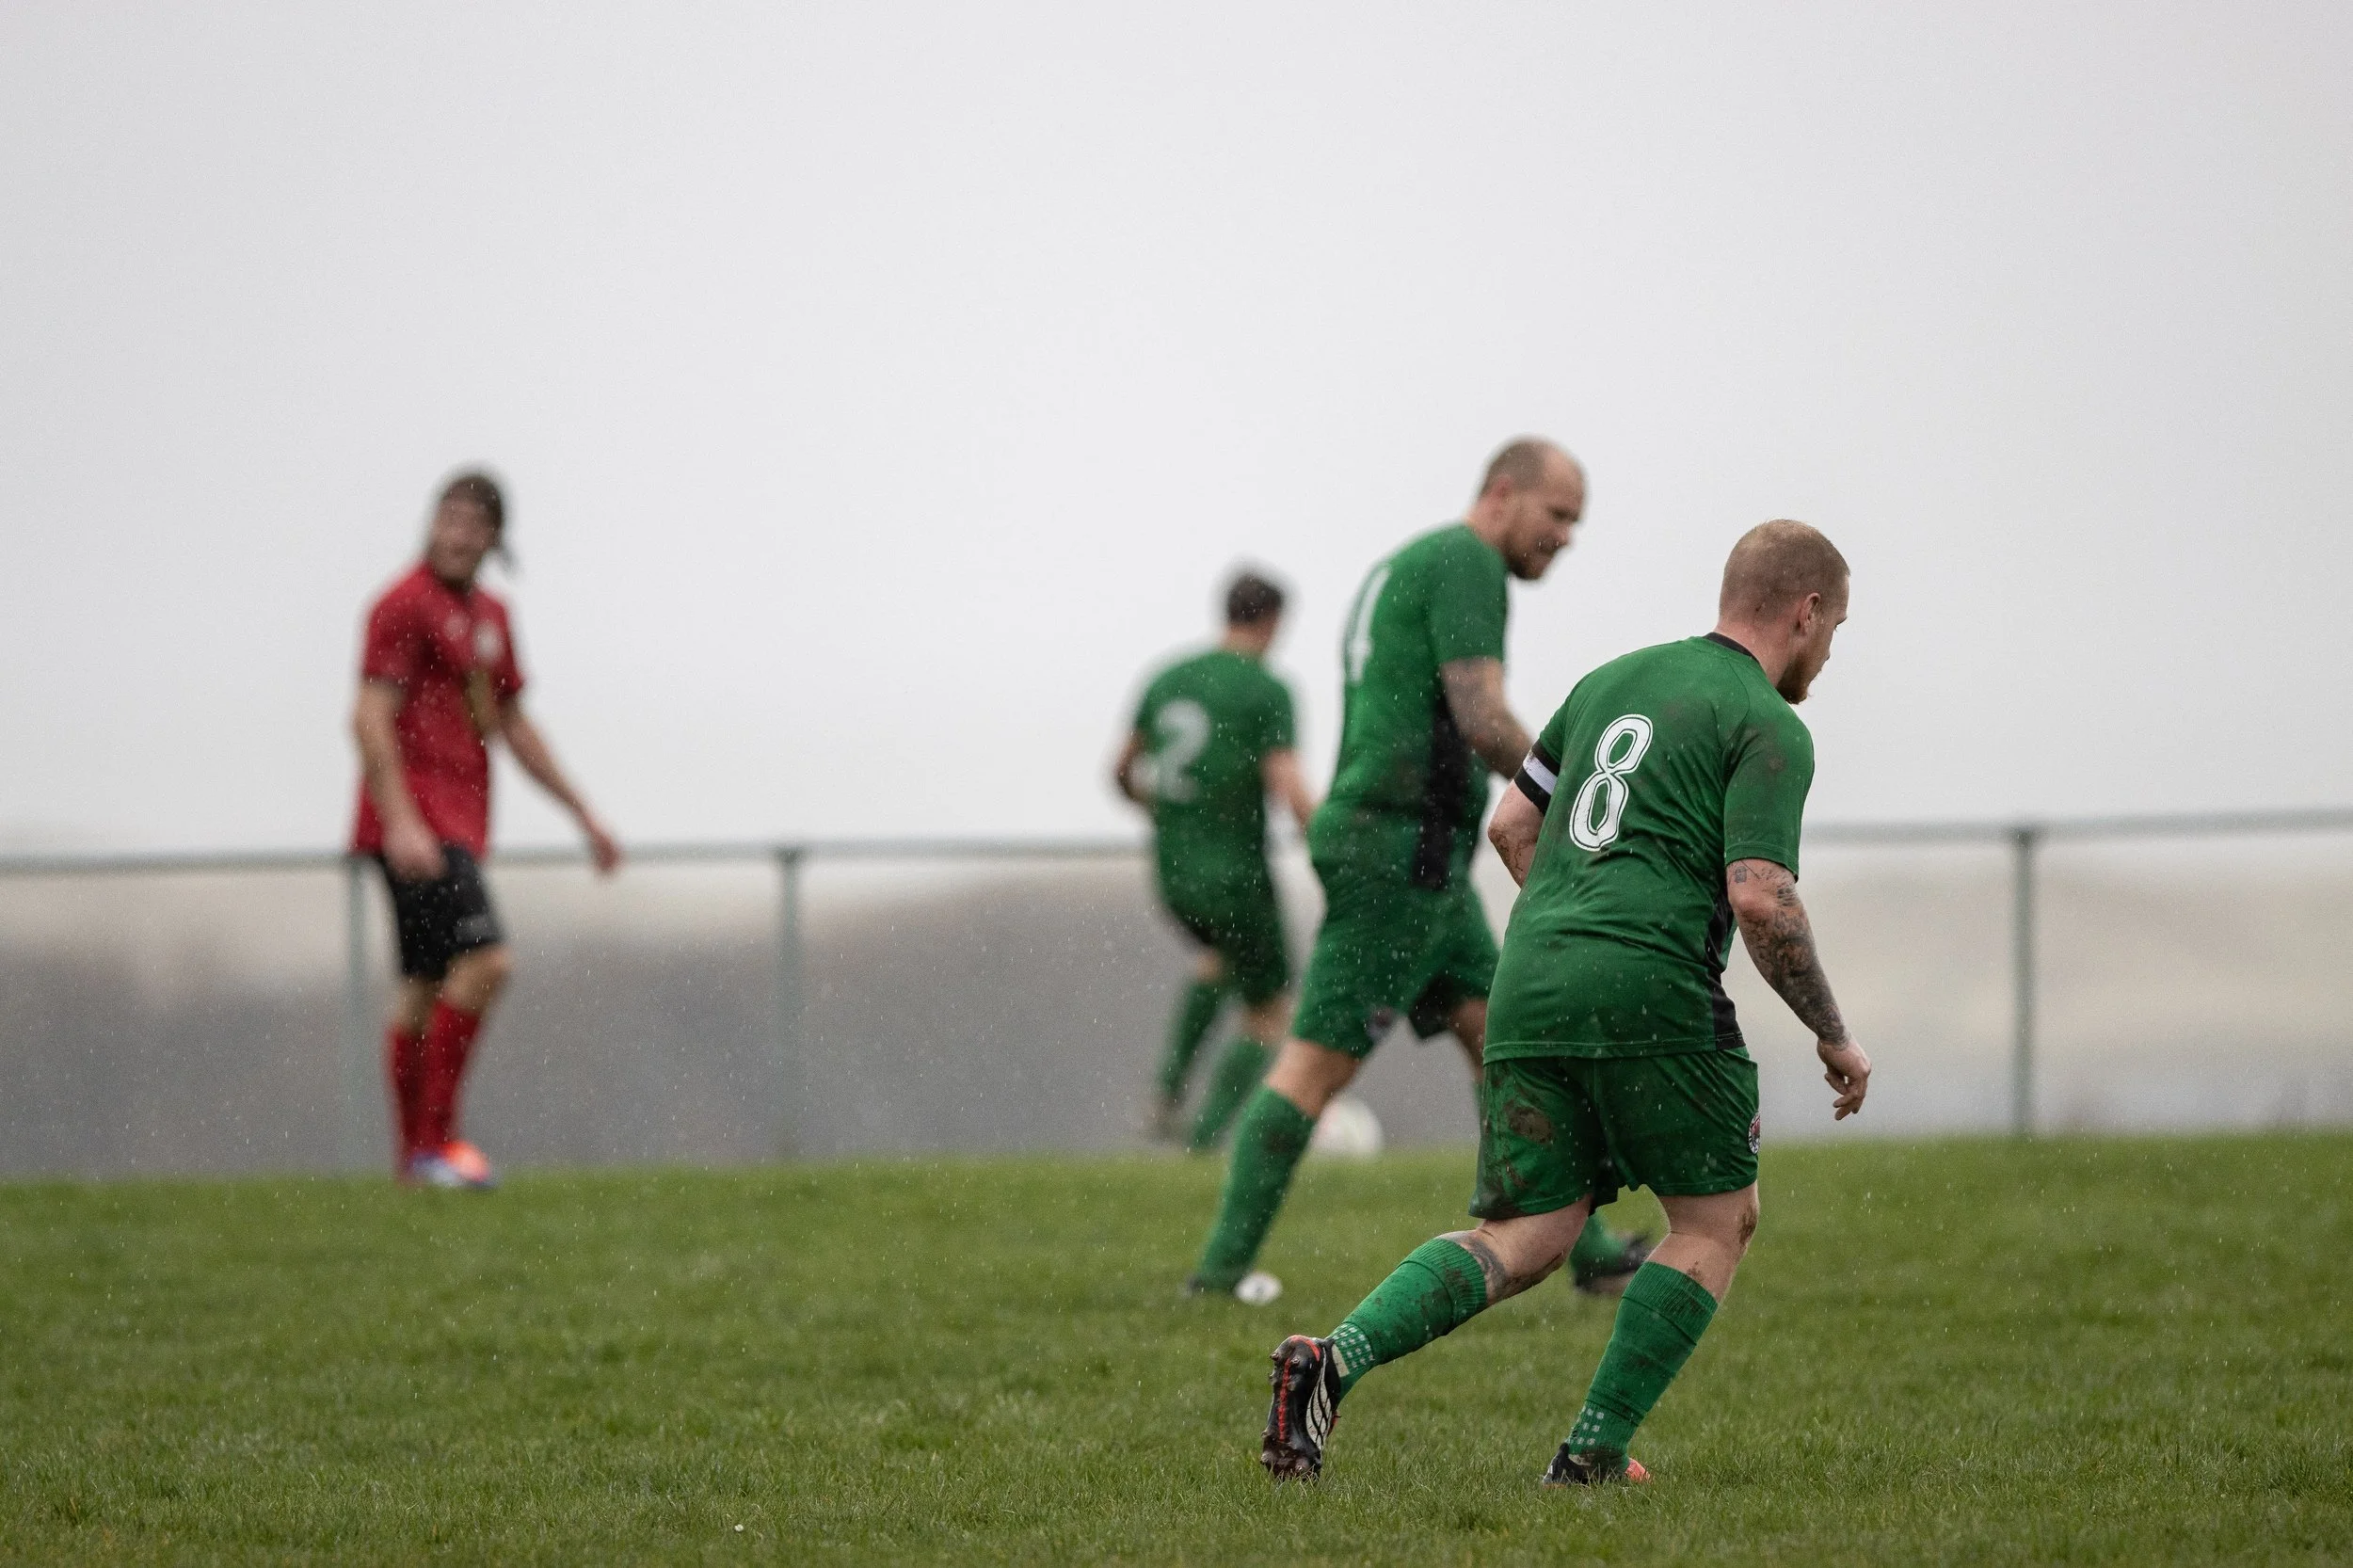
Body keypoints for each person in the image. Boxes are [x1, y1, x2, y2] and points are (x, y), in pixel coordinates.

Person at [1257, 520, 1870, 1486]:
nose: (1831, 652)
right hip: (1652, 986)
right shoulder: (1766, 722)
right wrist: (1833, 1035)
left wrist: (1573, 923)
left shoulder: (1606, 682)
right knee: (1715, 1221)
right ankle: (1592, 1451)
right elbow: (1761, 895)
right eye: (1835, 628)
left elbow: (1510, 824)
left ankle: (1328, 1363)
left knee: (1526, 1233)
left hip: (1531, 982)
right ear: (1805, 611)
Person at [1187, 439, 1651, 1304]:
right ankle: (1214, 1281)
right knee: (1312, 1070)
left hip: (1413, 855)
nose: (1567, 537)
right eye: (1558, 516)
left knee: (1507, 1046)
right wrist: (1583, 792)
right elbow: (1482, 716)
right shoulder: (1466, 561)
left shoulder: (1414, 560)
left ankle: (1588, 1254)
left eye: (1577, 523)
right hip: (1398, 855)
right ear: (1503, 494)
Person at [349, 472, 620, 1189]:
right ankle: (437, 1147)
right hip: (414, 824)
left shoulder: (493, 616)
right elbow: (369, 715)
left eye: (475, 522)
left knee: (425, 982)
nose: (459, 532)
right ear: (431, 523)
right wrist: (403, 821)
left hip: (457, 822)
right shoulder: (401, 606)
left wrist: (582, 813)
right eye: (449, 517)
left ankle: (416, 1162)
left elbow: (511, 724)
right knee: (487, 962)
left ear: (495, 537)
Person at [1114, 572, 1317, 1153]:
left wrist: (1167, 813)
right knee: (1271, 1010)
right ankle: (1200, 1142)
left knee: (1219, 960)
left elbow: (1120, 771)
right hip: (1236, 874)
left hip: (1174, 873)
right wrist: (1330, 840)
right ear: (1274, 620)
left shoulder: (1168, 677)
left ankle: (1166, 1090)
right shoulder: (1265, 688)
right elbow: (1287, 785)